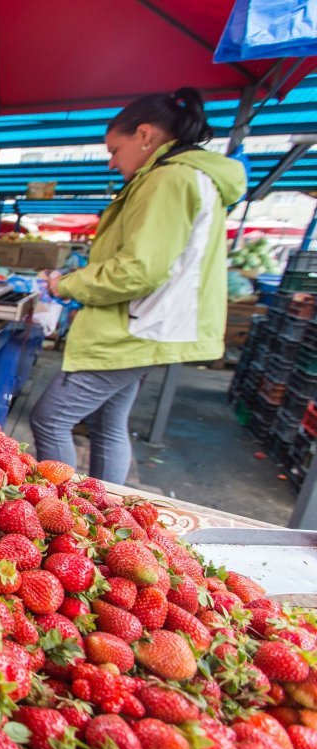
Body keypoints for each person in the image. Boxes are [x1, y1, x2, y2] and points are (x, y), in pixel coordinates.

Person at [29, 87, 246, 484]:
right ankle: (104, 516)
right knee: (108, 423)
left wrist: (69, 285)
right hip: (149, 326)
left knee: (50, 418)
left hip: (136, 328)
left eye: (114, 149)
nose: (112, 163)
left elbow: (138, 270)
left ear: (144, 134)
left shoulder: (168, 179)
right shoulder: (191, 177)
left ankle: (63, 513)